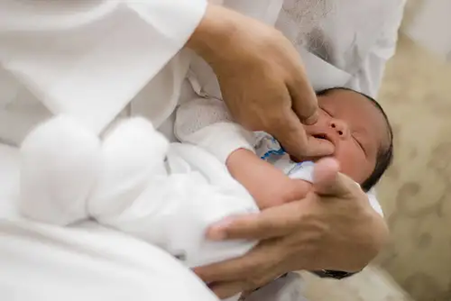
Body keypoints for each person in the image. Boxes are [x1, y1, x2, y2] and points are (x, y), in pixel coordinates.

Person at [0, 1, 405, 300]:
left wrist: (364, 231)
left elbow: (363, 124)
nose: (337, 126)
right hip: (46, 119)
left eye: (351, 136)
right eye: (329, 114)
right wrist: (208, 29)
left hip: (216, 250)